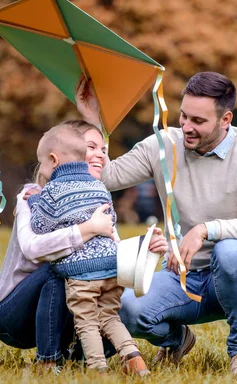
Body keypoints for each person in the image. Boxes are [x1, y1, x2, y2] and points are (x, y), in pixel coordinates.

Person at [77, 72, 237, 376]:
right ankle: (177, 340)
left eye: (198, 121)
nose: (186, 127)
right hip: (184, 276)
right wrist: (93, 121)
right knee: (125, 309)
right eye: (183, 116)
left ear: (225, 120)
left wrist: (205, 230)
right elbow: (106, 177)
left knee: (228, 251)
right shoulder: (163, 146)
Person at [0, 120, 168, 373]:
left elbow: (107, 253)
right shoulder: (33, 196)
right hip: (16, 316)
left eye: (103, 150)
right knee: (59, 269)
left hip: (63, 313)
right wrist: (88, 228)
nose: (98, 155)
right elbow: (32, 248)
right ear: (66, 155)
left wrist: (144, 247)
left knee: (107, 292)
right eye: (90, 147)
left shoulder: (97, 197)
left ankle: (94, 360)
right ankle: (47, 360)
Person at [26, 124, 148, 375]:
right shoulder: (99, 187)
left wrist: (36, 202)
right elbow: (110, 220)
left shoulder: (53, 191)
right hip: (111, 266)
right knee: (110, 317)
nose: (43, 170)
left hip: (81, 271)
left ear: (53, 159)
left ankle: (97, 369)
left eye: (43, 164)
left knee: (88, 322)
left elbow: (39, 226)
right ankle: (134, 358)